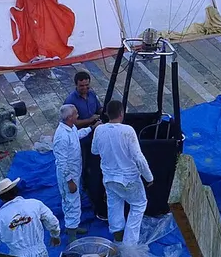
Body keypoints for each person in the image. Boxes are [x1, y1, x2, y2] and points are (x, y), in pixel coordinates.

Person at [92, 100, 154, 245]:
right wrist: (149, 177)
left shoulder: (99, 130)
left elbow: (94, 151)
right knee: (138, 205)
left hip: (109, 178)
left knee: (114, 205)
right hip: (129, 179)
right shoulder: (127, 131)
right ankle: (129, 246)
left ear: (107, 114)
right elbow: (138, 157)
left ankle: (117, 237)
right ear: (121, 113)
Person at [63, 71, 108, 220]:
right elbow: (73, 123)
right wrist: (90, 120)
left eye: (87, 85)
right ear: (76, 85)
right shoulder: (70, 101)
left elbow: (99, 109)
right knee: (82, 163)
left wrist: (105, 113)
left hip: (95, 134)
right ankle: (83, 186)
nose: (84, 88)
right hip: (81, 139)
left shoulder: (92, 94)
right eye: (82, 86)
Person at [53, 103, 98, 241]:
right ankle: (72, 235)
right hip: (69, 176)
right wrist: (70, 181)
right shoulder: (61, 137)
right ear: (69, 117)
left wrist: (90, 128)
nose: (78, 115)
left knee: (73, 201)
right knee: (72, 202)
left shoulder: (70, 128)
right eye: (76, 113)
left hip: (74, 172)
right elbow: (62, 162)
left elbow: (77, 135)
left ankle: (72, 226)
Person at [0, 178, 61, 257]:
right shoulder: (35, 204)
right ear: (16, 190)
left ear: (1, 198)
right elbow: (52, 221)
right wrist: (55, 235)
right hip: (40, 252)